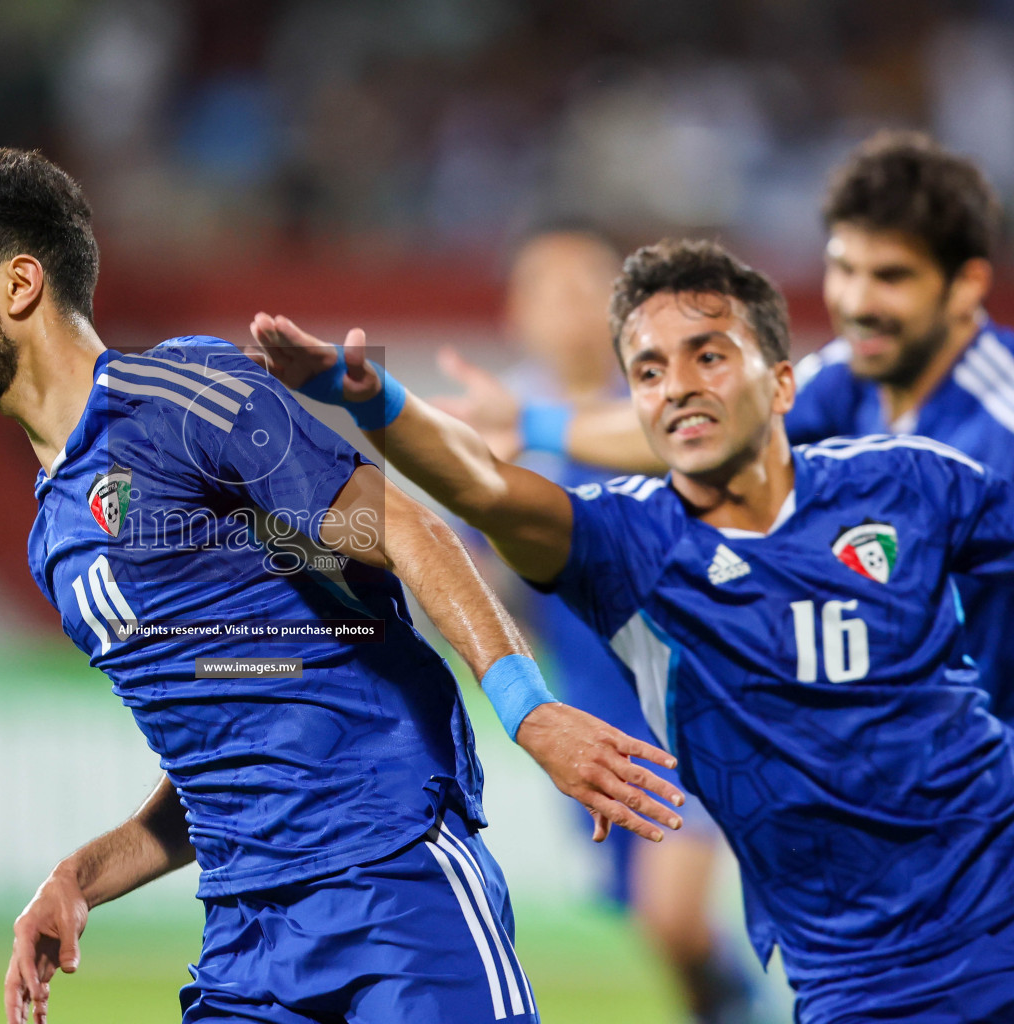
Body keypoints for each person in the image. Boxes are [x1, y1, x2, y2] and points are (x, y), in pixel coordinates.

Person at [0, 148, 683, 1024]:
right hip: (248, 941)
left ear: (20, 284)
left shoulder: (183, 397)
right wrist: (78, 878)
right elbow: (222, 762)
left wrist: (527, 709)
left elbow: (402, 530)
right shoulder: (57, 538)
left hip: (389, 883)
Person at [244, 237, 1014, 1023]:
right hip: (859, 979)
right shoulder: (626, 541)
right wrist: (370, 401)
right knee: (667, 925)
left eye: (708, 357)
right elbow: (481, 488)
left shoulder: (911, 480)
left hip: (1002, 905)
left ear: (784, 382)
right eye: (649, 371)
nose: (677, 387)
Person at [448, 132, 1014, 731]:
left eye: (892, 277)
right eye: (844, 269)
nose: (856, 301)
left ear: (968, 286)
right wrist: (532, 422)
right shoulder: (851, 374)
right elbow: (696, 427)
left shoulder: (998, 425)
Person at [446, 228, 757, 1024]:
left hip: (690, 698)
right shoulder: (503, 429)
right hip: (588, 707)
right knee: (659, 930)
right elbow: (481, 575)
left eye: (587, 288)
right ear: (519, 313)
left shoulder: (660, 405)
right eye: (549, 291)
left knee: (673, 914)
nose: (571, 310)